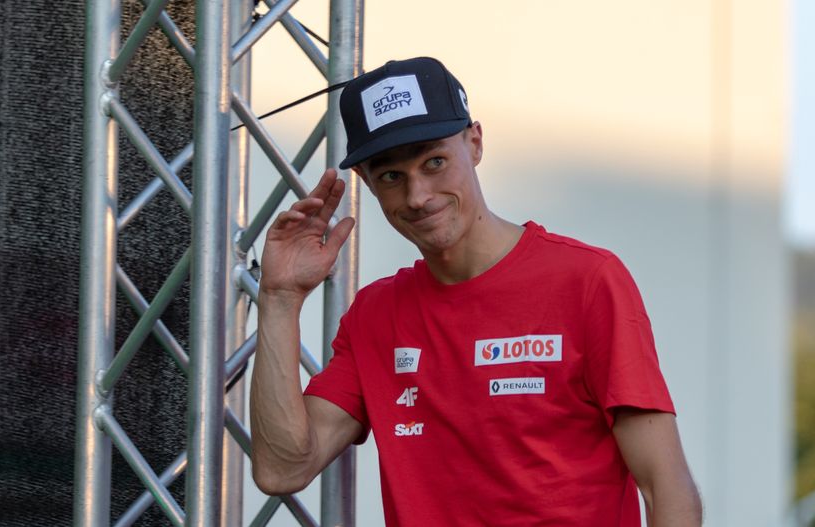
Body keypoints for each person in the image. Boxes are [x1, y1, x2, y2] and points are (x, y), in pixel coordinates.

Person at [250, 57, 702, 526]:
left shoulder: (587, 280)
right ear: (367, 182)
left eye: (435, 162)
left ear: (475, 143)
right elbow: (283, 468)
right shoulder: (375, 314)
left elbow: (666, 487)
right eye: (391, 177)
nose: (418, 196)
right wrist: (280, 298)